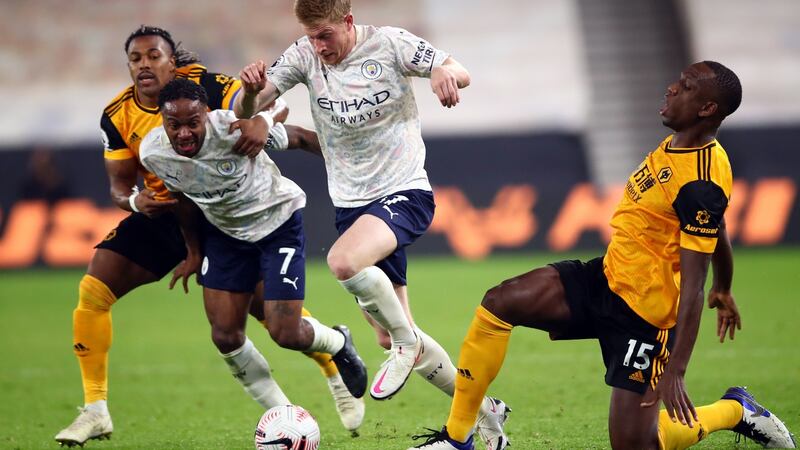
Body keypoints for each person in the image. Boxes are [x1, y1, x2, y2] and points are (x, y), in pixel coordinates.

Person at [407, 61, 797, 450]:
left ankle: (735, 410)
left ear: (707, 109)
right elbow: (720, 227)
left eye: (686, 87)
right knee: (501, 301)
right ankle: (459, 439)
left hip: (646, 317)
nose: (671, 89)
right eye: (677, 81)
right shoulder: (684, 146)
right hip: (607, 278)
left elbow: (693, 286)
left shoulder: (700, 181)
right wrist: (725, 288)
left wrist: (676, 369)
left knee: (634, 444)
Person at [54, 26, 362, 448]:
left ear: (172, 60)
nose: (144, 64)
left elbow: (278, 111)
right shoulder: (120, 118)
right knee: (96, 289)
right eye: (136, 59)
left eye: (153, 56)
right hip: (172, 211)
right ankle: (95, 409)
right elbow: (121, 188)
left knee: (275, 321)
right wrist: (133, 205)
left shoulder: (210, 89)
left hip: (226, 213)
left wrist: (261, 119)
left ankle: (330, 355)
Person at [234, 1, 510, 448]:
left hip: (404, 191)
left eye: (325, 35)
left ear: (347, 22)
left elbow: (459, 71)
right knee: (387, 334)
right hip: (351, 204)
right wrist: (249, 93)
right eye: (311, 36)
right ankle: (484, 411)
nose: (318, 46)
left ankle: (407, 346)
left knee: (343, 261)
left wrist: (445, 72)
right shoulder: (305, 55)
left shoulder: (391, 43)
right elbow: (247, 108)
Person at [139, 76, 367, 419]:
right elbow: (182, 199)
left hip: (278, 225)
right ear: (162, 121)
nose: (184, 133)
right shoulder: (153, 153)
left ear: (207, 116)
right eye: (174, 125)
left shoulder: (233, 129)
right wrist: (193, 250)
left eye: (193, 123)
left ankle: (337, 342)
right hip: (224, 235)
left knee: (285, 333)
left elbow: (300, 136)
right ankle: (285, 418)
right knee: (225, 337)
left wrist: (351, 164)